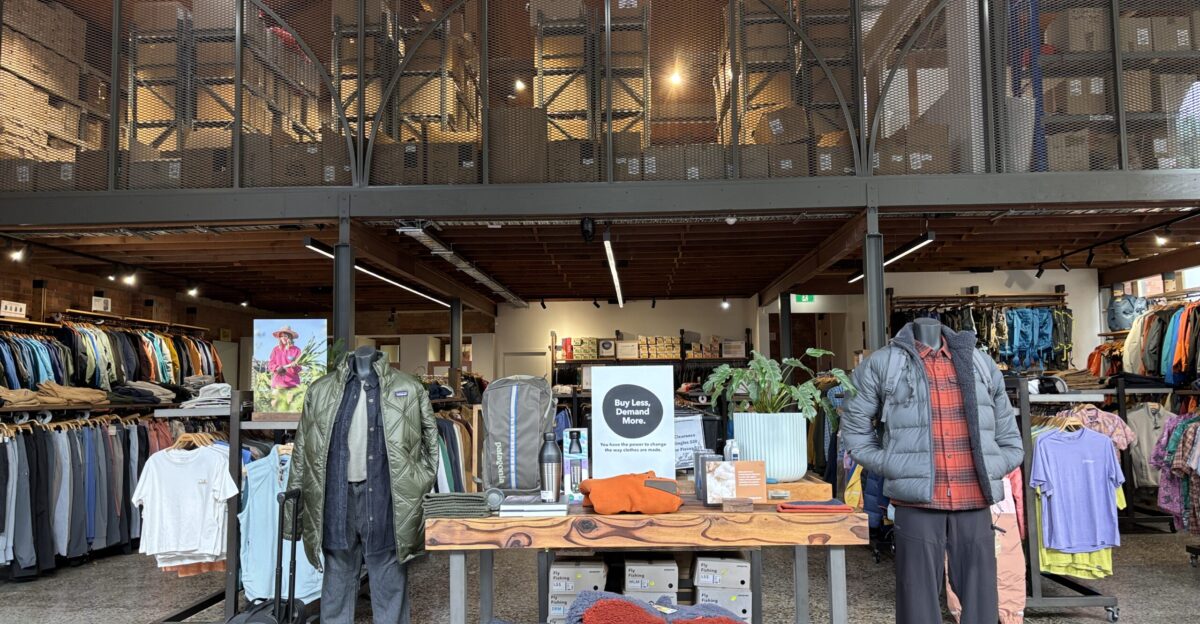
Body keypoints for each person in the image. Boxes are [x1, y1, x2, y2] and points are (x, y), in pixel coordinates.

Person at [841, 319, 1024, 624]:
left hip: (974, 498)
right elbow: (855, 430)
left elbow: (1010, 438)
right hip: (917, 502)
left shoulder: (979, 361)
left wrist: (992, 467)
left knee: (983, 600)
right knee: (917, 600)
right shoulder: (884, 363)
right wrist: (892, 466)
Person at [268, 326, 302, 407]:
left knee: (290, 405)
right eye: (281, 336)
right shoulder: (276, 349)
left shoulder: (296, 350)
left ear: (290, 337)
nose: (283, 338)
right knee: (274, 404)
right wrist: (277, 368)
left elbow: (299, 367)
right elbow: (270, 364)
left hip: (292, 383)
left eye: (285, 336)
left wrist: (294, 367)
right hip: (278, 382)